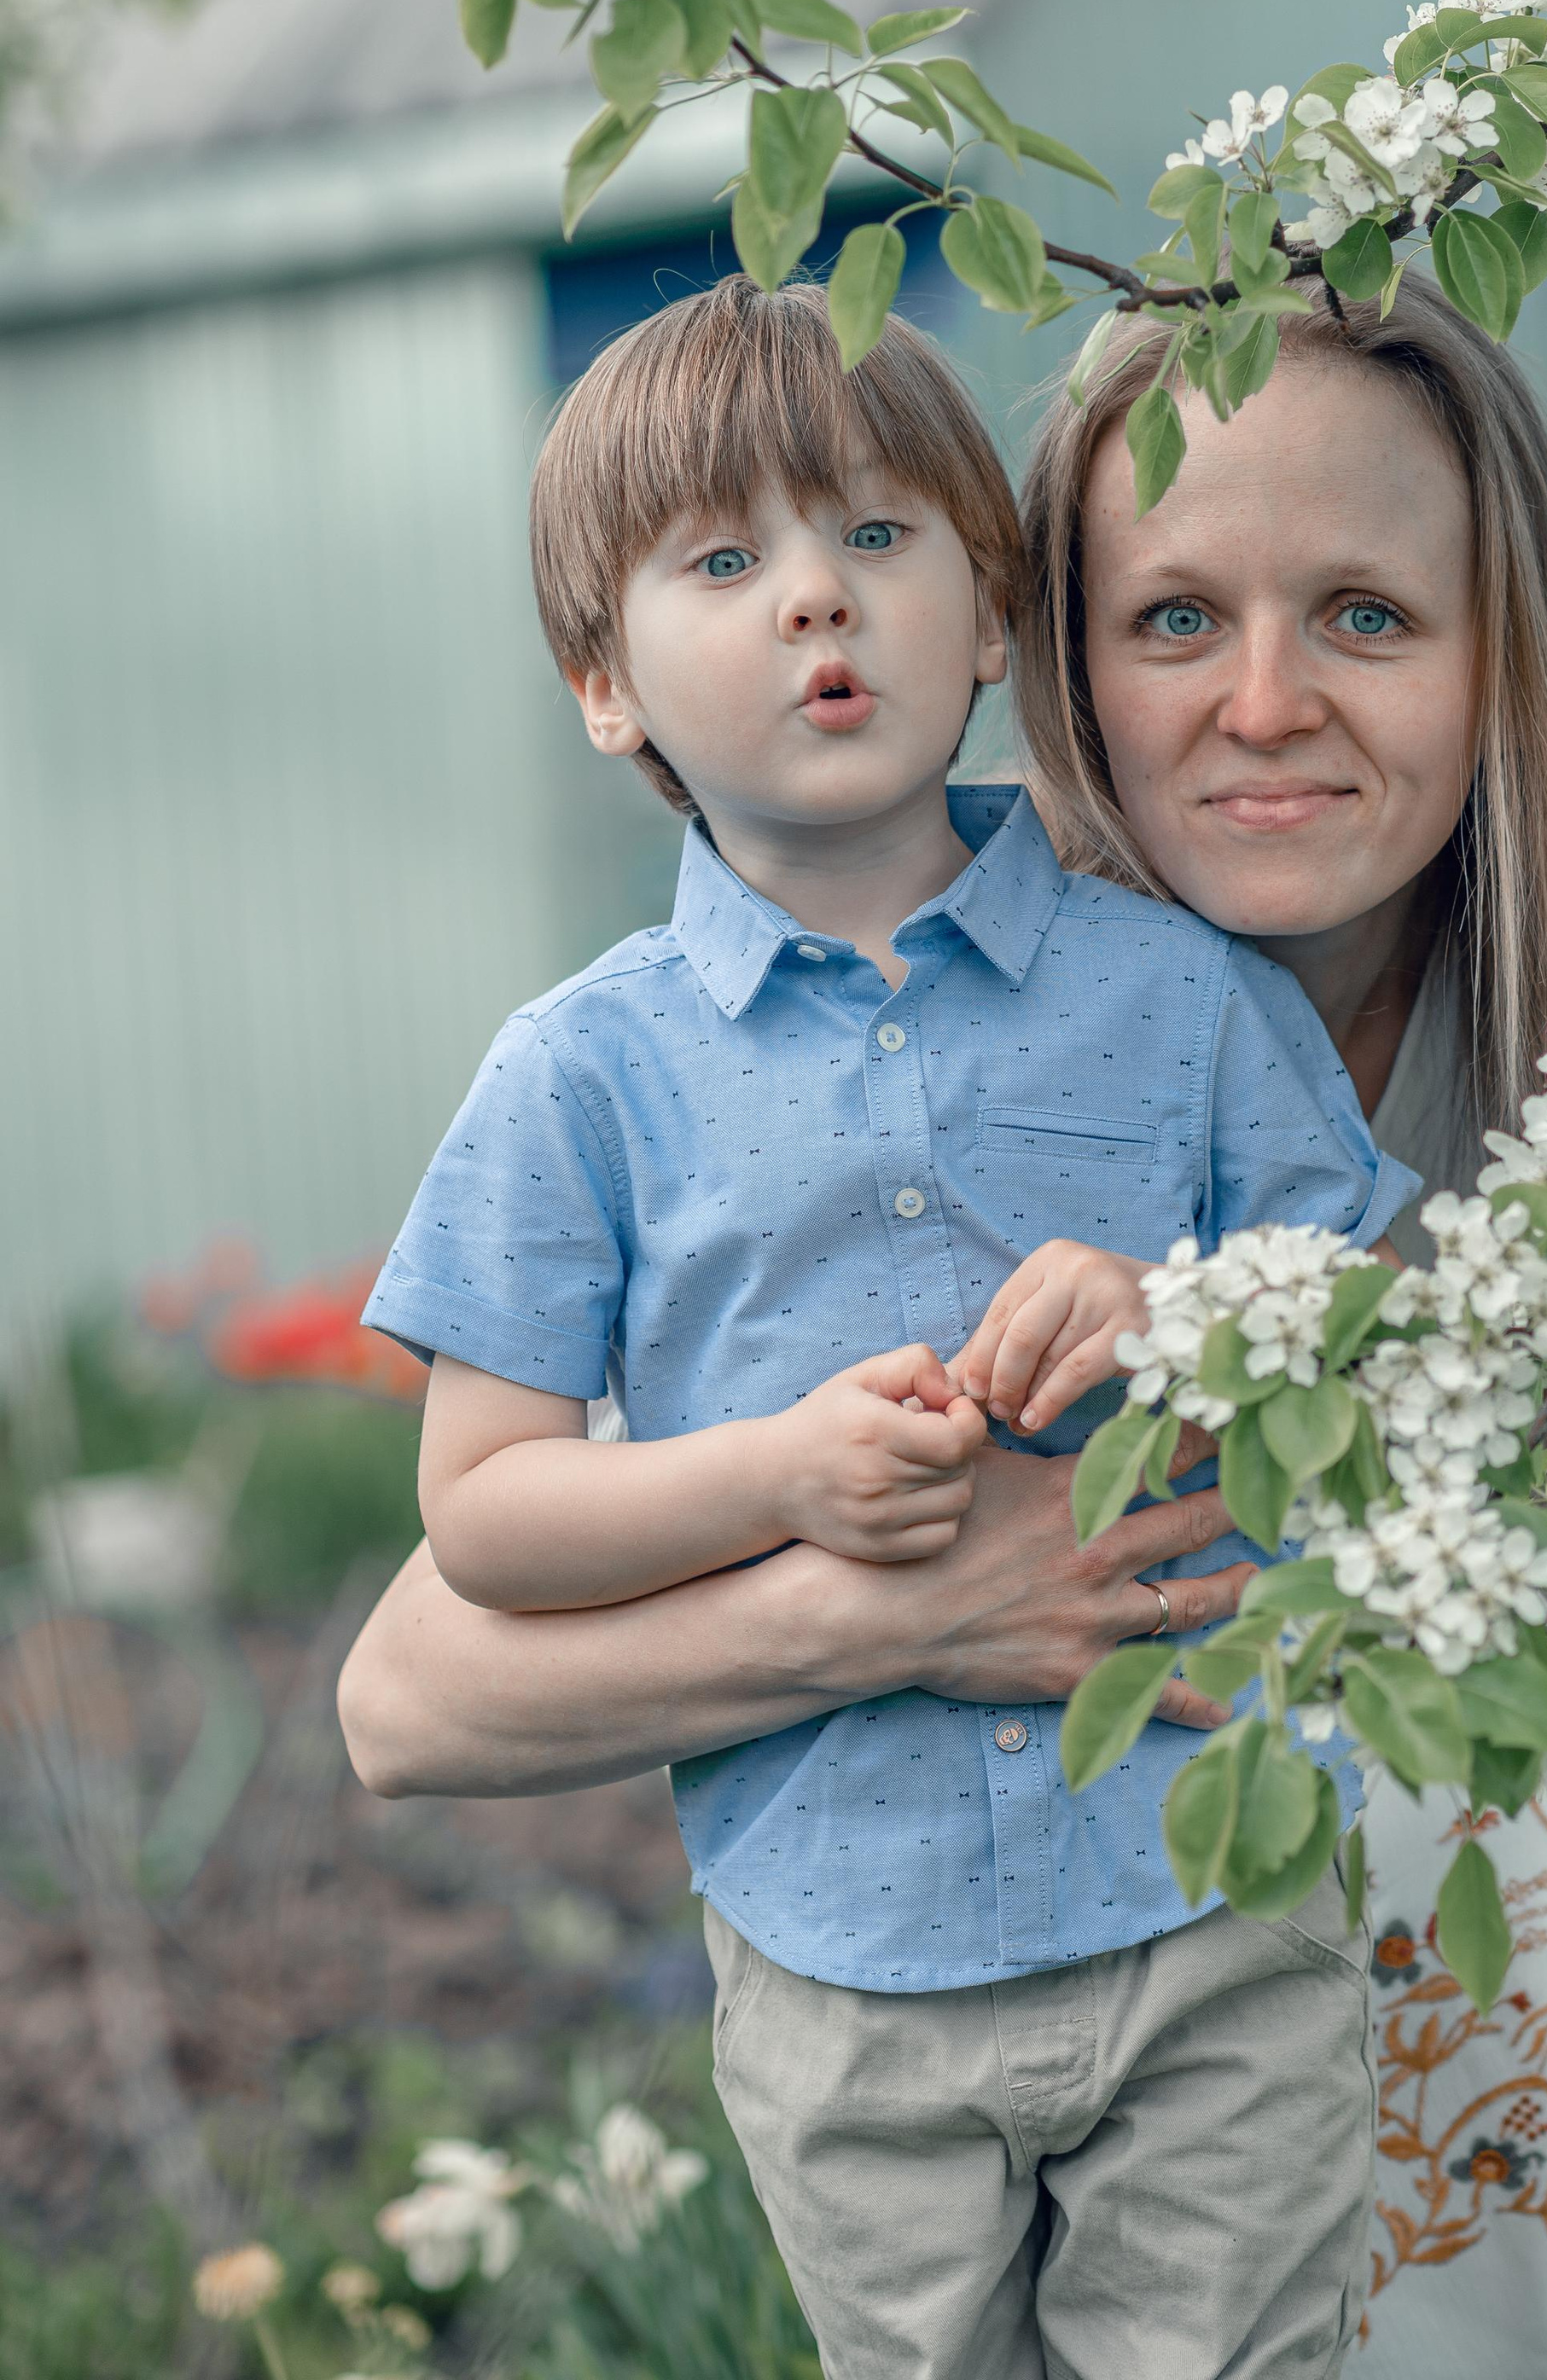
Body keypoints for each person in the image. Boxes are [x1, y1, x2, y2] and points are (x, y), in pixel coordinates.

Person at [339, 0, 1547, 2371]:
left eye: (1371, 618)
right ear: (1051, 653)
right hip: (1051, 2038)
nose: (1270, 702)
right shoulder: (921, 1003)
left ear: (1492, 645)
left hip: (1466, 2093)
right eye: (1178, 617)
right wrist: (910, 1611)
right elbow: (407, 1695)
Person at [360, 273, 1416, 2380]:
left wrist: (1187, 1312)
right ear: (603, 682)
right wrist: (773, 1479)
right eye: (724, 561)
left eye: (874, 535)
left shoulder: (1178, 990)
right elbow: (480, 1512)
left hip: (1213, 1893)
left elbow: (1379, 1328)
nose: (814, 606)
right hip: (842, 1956)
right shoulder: (580, 1079)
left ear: (996, 608)